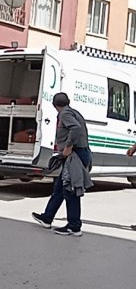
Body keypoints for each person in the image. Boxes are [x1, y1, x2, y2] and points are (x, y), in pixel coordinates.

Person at [32, 92, 92, 236]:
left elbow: (75, 128)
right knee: (60, 188)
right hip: (80, 153)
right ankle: (47, 217)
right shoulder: (74, 112)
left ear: (54, 105)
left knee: (70, 189)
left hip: (75, 155)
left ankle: (74, 226)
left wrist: (68, 146)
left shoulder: (64, 114)